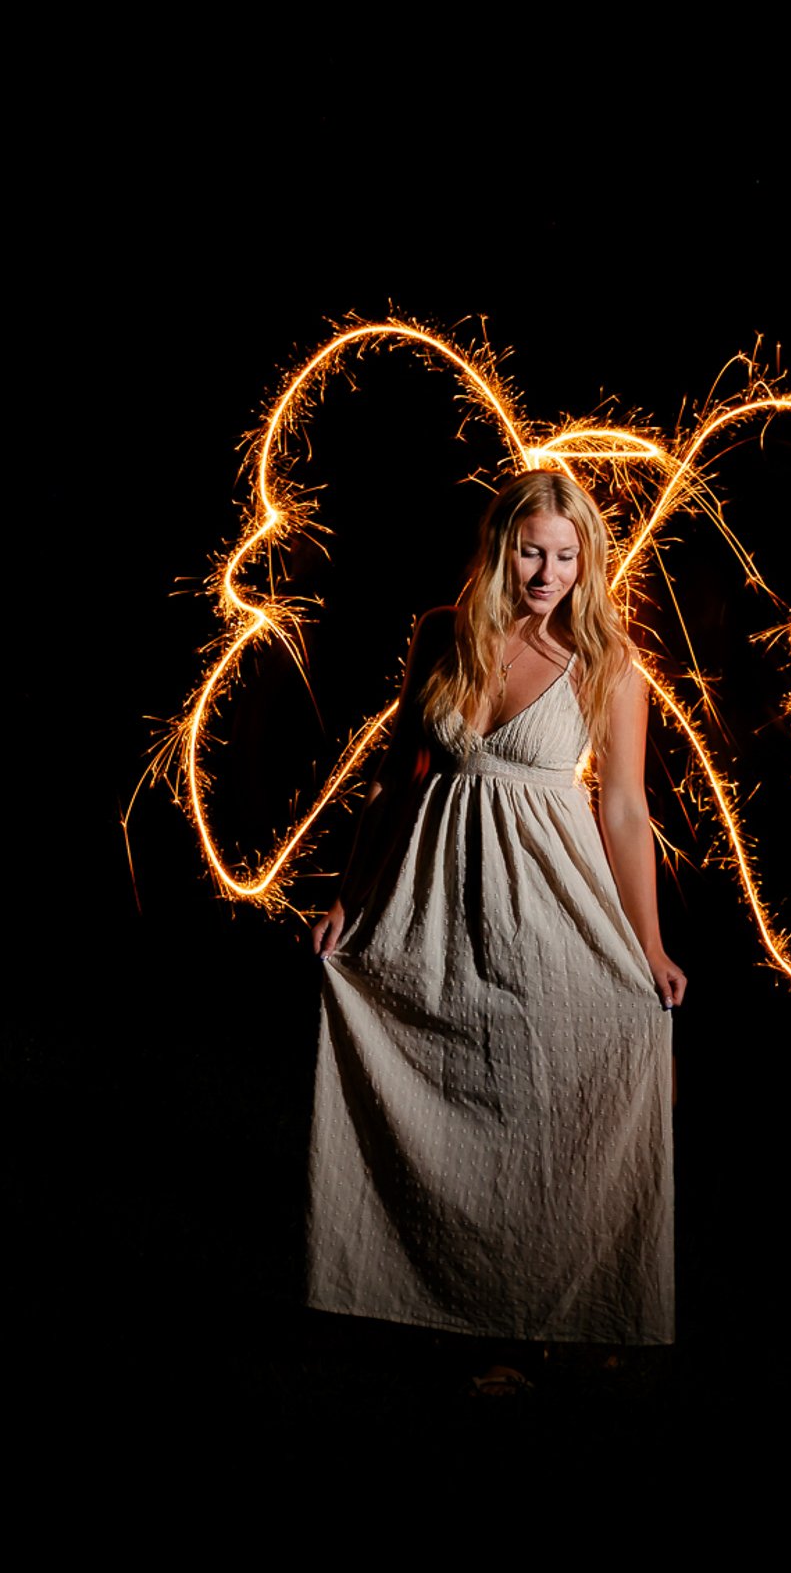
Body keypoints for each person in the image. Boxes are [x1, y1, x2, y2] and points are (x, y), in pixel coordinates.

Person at [308, 470, 685, 1380]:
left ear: (587, 560)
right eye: (530, 551)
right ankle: (449, 1311)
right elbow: (397, 779)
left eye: (565, 556)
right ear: (498, 546)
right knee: (453, 1099)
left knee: (550, 1106)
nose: (547, 573)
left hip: (554, 905)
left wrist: (650, 946)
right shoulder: (444, 635)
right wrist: (348, 899)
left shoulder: (608, 661)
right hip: (432, 900)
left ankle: (567, 1310)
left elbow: (626, 812)